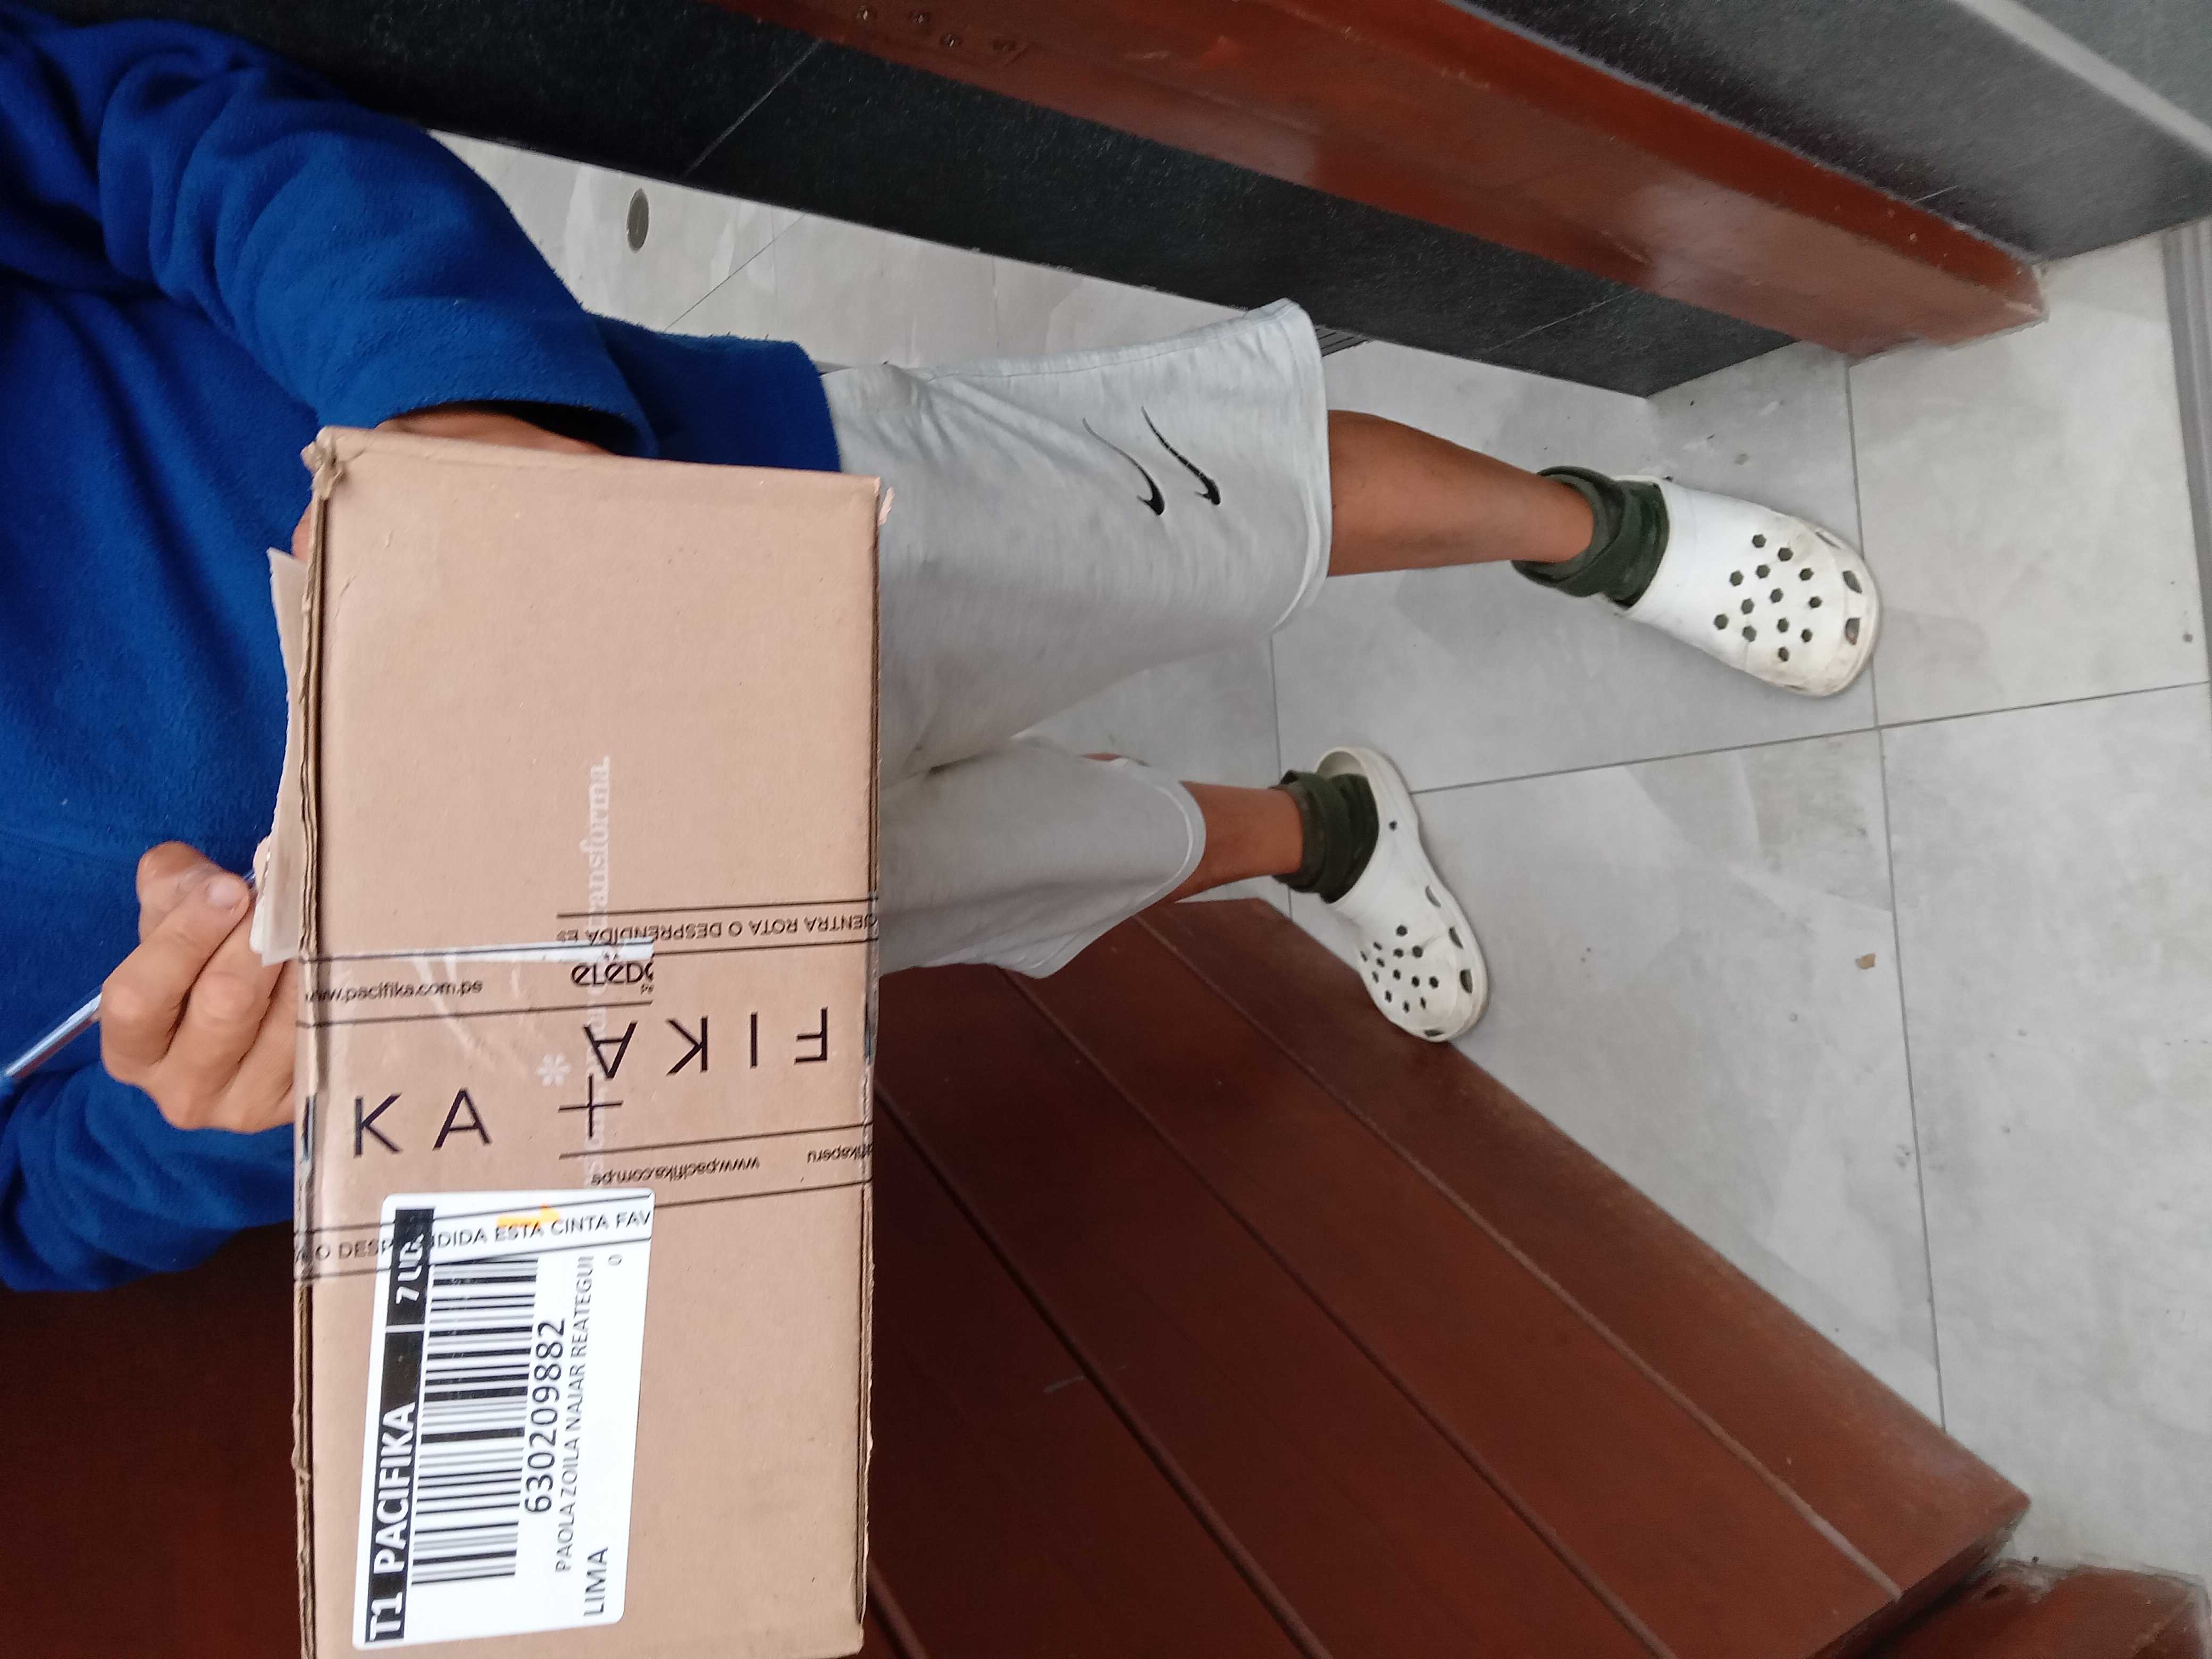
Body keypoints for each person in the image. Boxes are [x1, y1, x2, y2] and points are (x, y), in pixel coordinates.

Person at [0, 3, 1879, 1291]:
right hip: (569, 942)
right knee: (1038, 863)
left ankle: (1593, 532)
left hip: (684, 517)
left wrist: (457, 401)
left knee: (1192, 495)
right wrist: (207, 1114)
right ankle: (1325, 837)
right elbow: (37, 1209)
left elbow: (139, 125)